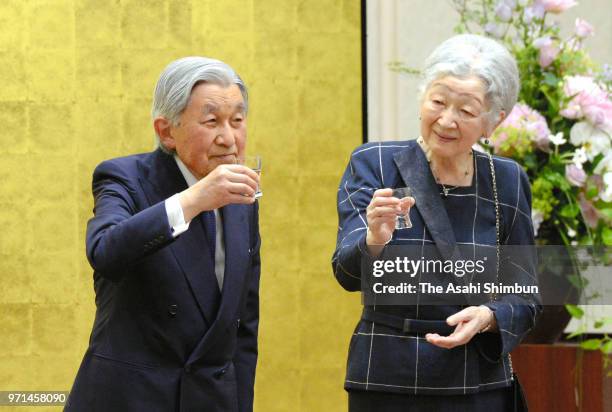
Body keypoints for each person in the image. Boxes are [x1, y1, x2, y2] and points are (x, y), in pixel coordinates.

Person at [332, 34, 541, 411]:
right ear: (422, 98)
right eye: (438, 101)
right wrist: (374, 239)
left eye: (466, 110)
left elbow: (527, 296)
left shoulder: (506, 180)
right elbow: (346, 275)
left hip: (476, 380)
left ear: (494, 121)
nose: (446, 120)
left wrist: (490, 317)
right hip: (386, 380)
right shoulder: (374, 163)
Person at [66, 57, 261, 412]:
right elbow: (106, 251)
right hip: (131, 398)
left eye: (237, 120)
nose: (229, 137)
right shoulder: (124, 177)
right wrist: (193, 200)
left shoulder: (241, 200)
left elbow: (243, 326)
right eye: (212, 121)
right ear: (166, 131)